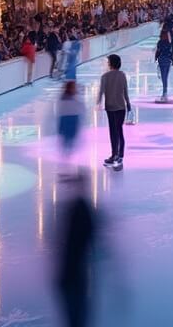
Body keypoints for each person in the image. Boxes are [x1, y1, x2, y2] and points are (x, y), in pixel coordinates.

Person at [55, 171, 96, 327]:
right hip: (75, 271)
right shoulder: (79, 208)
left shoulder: (79, 209)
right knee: (76, 313)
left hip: (73, 272)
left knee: (75, 313)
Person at [97, 54, 131, 171]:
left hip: (110, 107)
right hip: (121, 107)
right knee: (119, 130)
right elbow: (125, 92)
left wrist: (98, 103)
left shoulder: (105, 76)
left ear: (111, 63)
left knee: (113, 131)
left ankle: (114, 154)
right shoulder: (122, 75)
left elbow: (101, 92)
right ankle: (119, 154)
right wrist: (129, 104)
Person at [57, 81, 85, 174]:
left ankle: (66, 153)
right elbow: (80, 108)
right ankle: (66, 153)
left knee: (69, 138)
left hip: (70, 119)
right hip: (69, 119)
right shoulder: (72, 99)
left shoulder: (68, 98)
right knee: (68, 138)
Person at [154, 30, 173, 102]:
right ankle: (165, 91)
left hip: (162, 60)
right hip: (167, 61)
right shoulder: (168, 43)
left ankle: (164, 91)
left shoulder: (160, 43)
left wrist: (156, 57)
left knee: (163, 77)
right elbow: (170, 52)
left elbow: (158, 51)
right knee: (165, 77)